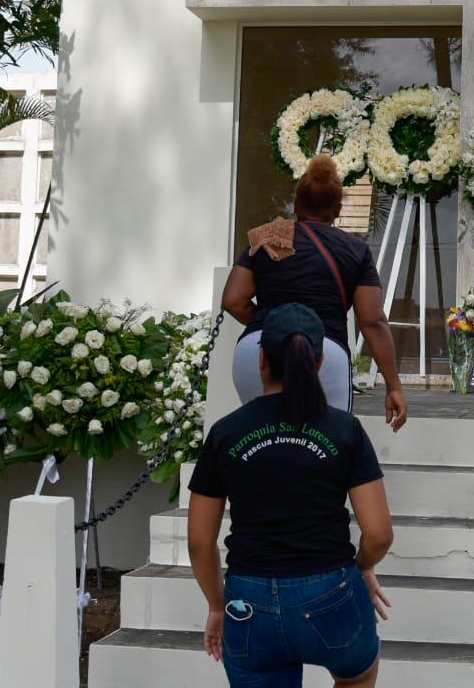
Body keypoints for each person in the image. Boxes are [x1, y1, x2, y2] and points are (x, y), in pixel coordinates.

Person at [188, 303, 395, 687]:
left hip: (247, 602)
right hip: (329, 590)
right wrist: (364, 566)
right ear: (318, 364)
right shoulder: (344, 429)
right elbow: (379, 533)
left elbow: (200, 543)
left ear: (262, 360)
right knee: (358, 675)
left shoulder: (226, 433)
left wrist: (217, 605)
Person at [223, 155, 407, 430]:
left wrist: (276, 327)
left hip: (258, 350)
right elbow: (372, 320)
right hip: (323, 353)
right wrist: (393, 386)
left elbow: (233, 300)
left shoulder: (268, 237)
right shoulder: (356, 250)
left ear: (297, 204)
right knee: (326, 447)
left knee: (261, 441)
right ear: (337, 210)